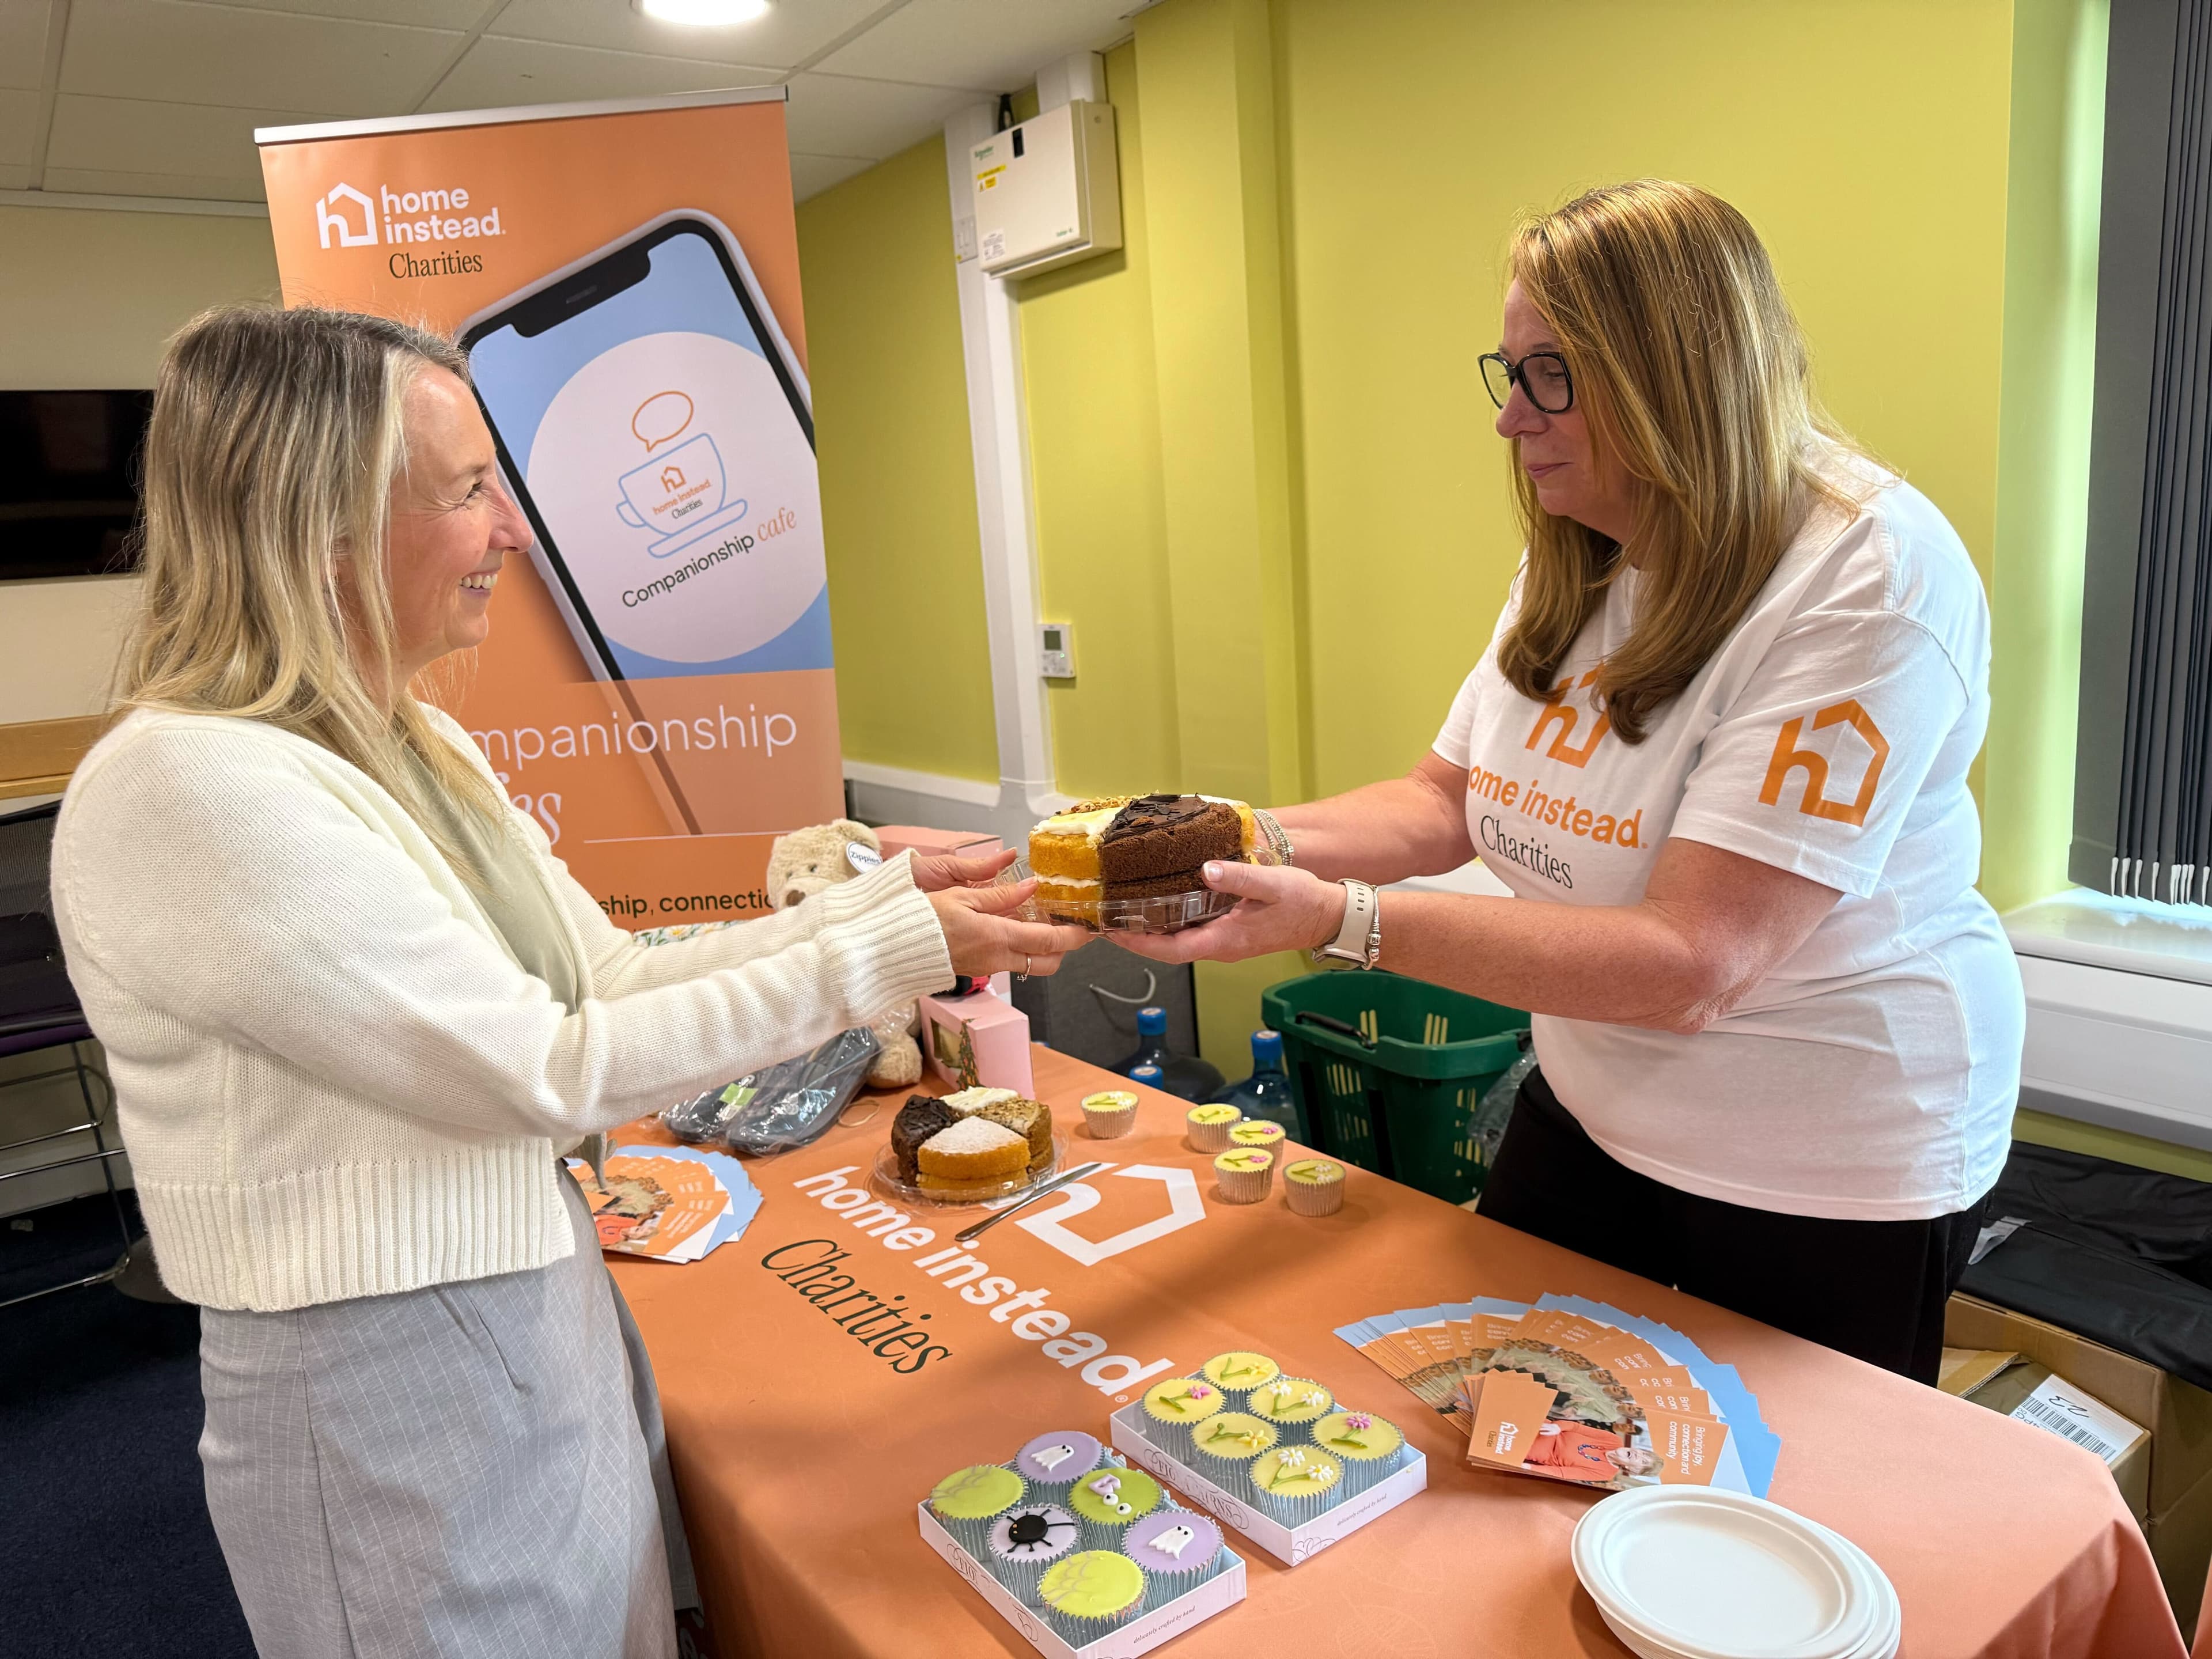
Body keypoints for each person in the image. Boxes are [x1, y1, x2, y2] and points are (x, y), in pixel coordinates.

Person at [49, 305, 1089, 1659]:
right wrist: (887, 952)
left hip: (529, 1310)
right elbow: (541, 1070)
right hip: (381, 1381)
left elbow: (605, 979)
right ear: (324, 526)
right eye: (470, 489)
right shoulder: (189, 787)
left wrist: (891, 910)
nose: (515, 532)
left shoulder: (414, 746)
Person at [1124, 180, 2024, 1385]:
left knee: (1752, 1481)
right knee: (1492, 1406)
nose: (1512, 420)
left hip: (1822, 1152)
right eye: (1511, 373)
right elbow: (1440, 803)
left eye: (1550, 375)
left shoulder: (1869, 578)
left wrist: (1340, 923)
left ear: (1674, 369)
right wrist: (1217, 838)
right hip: (1599, 1099)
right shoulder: (1588, 550)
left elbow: (1695, 961)